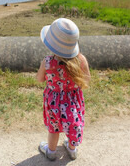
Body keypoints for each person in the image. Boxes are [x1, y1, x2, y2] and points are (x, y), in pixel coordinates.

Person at [37, 18, 90, 161]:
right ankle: (72, 150)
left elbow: (40, 79)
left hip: (53, 101)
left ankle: (51, 152)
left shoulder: (47, 62)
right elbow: (87, 80)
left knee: (54, 128)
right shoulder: (81, 60)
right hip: (73, 100)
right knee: (73, 124)